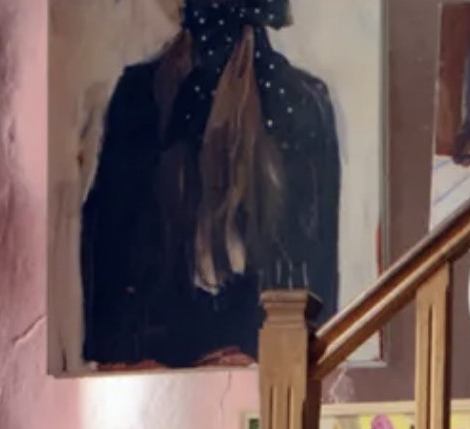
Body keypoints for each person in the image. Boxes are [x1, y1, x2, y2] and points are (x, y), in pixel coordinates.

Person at [79, 1, 342, 370]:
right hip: (155, 373)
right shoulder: (139, 97)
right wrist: (130, 362)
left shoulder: (300, 106)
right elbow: (108, 256)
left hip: (262, 374)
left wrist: (259, 359)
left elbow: (315, 281)